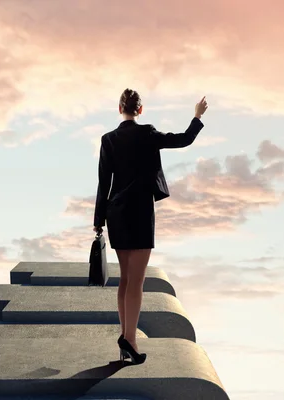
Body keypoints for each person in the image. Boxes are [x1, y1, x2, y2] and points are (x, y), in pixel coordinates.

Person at [92, 88, 208, 364]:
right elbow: (183, 140)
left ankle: (126, 339)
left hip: (116, 213)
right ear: (140, 110)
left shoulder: (108, 139)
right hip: (141, 212)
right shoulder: (147, 134)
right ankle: (129, 339)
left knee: (125, 279)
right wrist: (197, 116)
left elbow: (103, 183)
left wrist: (98, 222)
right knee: (138, 281)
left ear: (119, 108)